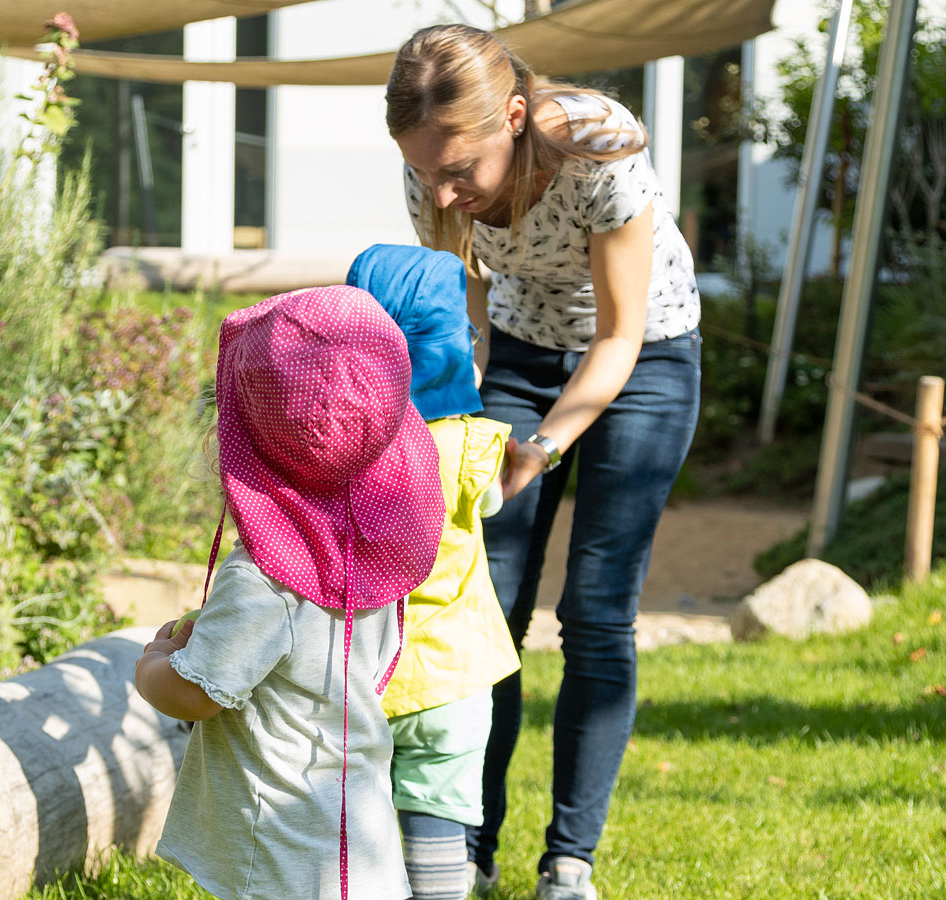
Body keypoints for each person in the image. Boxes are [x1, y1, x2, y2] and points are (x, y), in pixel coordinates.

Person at [386, 23, 704, 900]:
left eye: (460, 171)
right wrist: (451, 430)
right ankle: (467, 850)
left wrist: (542, 447)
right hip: (522, 353)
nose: (444, 191)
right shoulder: (431, 177)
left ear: (515, 118)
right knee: (485, 605)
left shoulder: (600, 151)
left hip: (645, 362)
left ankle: (569, 863)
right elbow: (449, 323)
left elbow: (621, 334)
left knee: (598, 611)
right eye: (424, 170)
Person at [135, 285, 444, 900]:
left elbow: (198, 696)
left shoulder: (264, 581)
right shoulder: (377, 545)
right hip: (359, 836)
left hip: (279, 850)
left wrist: (152, 664)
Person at [345, 244, 521, 900]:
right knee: (438, 820)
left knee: (355, 831)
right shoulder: (472, 445)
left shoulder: (341, 447)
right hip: (452, 677)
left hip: (360, 676)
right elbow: (494, 500)